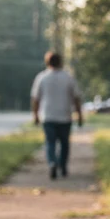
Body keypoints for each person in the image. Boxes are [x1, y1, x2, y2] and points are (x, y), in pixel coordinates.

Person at [30, 51, 83, 180]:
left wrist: (35, 115)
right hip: (65, 116)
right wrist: (79, 115)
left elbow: (36, 98)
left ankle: (52, 162)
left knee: (50, 142)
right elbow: (76, 98)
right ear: (61, 62)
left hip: (48, 116)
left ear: (47, 62)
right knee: (65, 143)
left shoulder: (41, 77)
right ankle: (63, 166)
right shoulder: (68, 77)